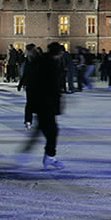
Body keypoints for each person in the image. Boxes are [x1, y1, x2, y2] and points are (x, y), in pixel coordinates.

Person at [19, 42, 66, 170]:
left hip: (42, 103)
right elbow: (52, 86)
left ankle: (27, 155)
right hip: (46, 103)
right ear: (58, 53)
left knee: (43, 130)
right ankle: (48, 157)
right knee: (52, 131)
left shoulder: (42, 61)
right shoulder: (50, 64)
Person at [18, 44, 37, 130]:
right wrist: (20, 83)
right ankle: (28, 120)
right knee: (29, 103)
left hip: (38, 85)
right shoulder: (27, 60)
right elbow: (25, 73)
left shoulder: (38, 59)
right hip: (30, 85)